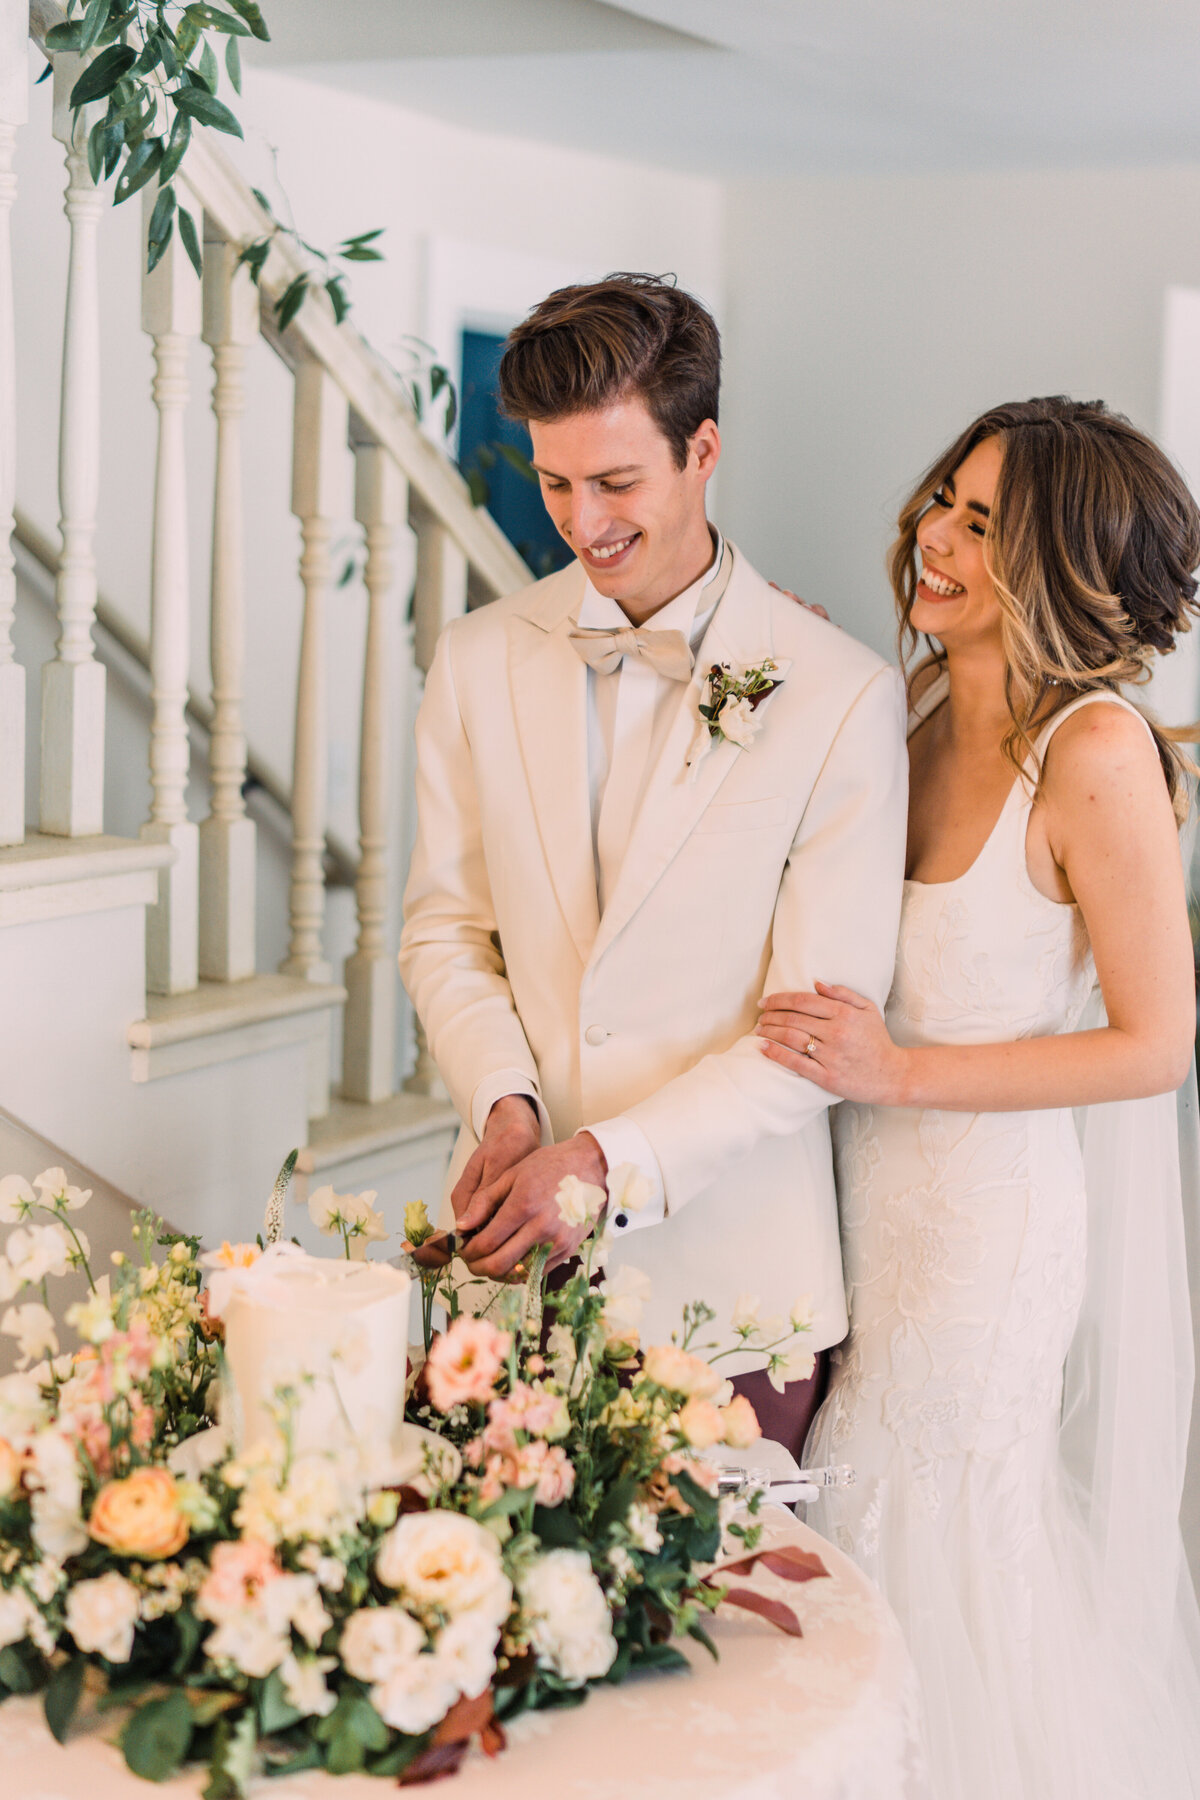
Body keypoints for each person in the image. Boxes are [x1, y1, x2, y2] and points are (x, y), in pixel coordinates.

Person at [758, 396, 1200, 1797]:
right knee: (858, 1493)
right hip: (861, 1209)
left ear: (1063, 561)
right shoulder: (910, 714)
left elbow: (1155, 1046)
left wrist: (896, 1071)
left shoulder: (1096, 754)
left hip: (987, 1234)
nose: (933, 537)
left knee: (927, 1520)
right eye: (944, 500)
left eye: (983, 523)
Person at [398, 272, 908, 1454]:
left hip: (730, 1314)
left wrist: (605, 1166)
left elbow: (817, 1034)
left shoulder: (840, 694)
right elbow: (445, 931)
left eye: (617, 481)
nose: (584, 523)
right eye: (557, 482)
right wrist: (508, 1108)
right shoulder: (476, 659)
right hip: (502, 1291)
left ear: (704, 449)